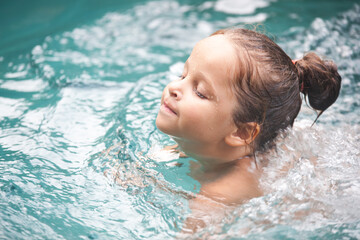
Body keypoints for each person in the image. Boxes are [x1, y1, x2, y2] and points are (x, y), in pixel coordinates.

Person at [155, 28, 341, 232]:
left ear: (241, 133)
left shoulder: (217, 196)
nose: (174, 87)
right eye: (183, 75)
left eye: (200, 92)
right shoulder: (201, 143)